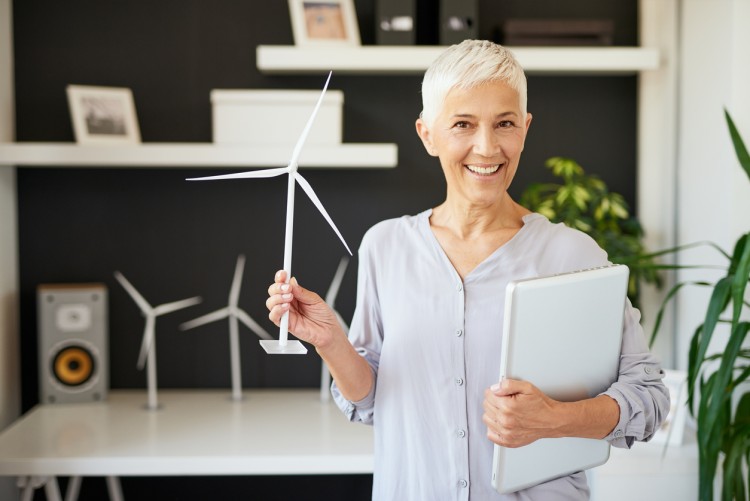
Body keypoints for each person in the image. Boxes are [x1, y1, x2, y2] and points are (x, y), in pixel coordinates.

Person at [265, 39, 670, 500]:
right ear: (427, 134)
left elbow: (650, 399)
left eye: (505, 123)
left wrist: (555, 419)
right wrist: (331, 342)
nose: (487, 146)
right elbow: (373, 401)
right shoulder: (386, 247)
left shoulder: (575, 256)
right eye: (462, 124)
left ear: (525, 128)